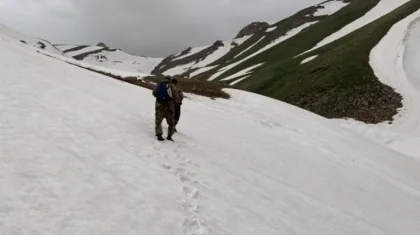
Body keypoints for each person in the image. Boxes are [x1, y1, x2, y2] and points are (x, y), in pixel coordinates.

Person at [153, 77, 176, 141]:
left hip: (159, 105)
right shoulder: (171, 85)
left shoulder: (159, 85)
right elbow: (175, 95)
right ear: (170, 80)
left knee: (158, 121)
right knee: (171, 123)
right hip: (169, 107)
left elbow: (154, 93)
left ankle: (159, 135)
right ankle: (169, 136)